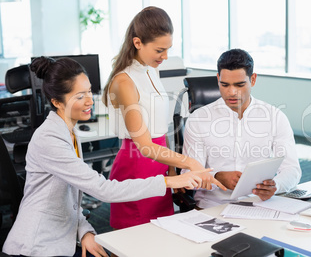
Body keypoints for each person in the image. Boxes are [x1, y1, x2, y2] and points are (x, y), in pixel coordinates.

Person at [2, 56, 209, 257]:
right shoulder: (50, 139)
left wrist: (85, 232)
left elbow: (70, 199)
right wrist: (169, 181)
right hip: (36, 246)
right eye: (79, 96)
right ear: (57, 102)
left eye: (89, 91)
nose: (89, 101)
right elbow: (104, 190)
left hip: (64, 236)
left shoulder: (68, 131)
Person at [102, 6, 225, 230]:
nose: (165, 56)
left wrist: (171, 169)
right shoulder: (124, 81)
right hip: (136, 166)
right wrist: (189, 162)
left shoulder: (151, 70)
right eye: (160, 50)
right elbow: (145, 145)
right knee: (134, 239)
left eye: (168, 49)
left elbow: (160, 126)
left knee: (161, 233)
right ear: (138, 43)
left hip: (159, 163)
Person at [182, 48, 301, 209]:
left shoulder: (275, 117)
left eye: (239, 84)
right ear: (218, 79)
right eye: (224, 84)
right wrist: (216, 177)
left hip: (260, 205)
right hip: (212, 207)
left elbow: (292, 170)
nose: (231, 92)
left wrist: (276, 186)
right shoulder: (199, 119)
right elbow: (187, 177)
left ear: (253, 79)